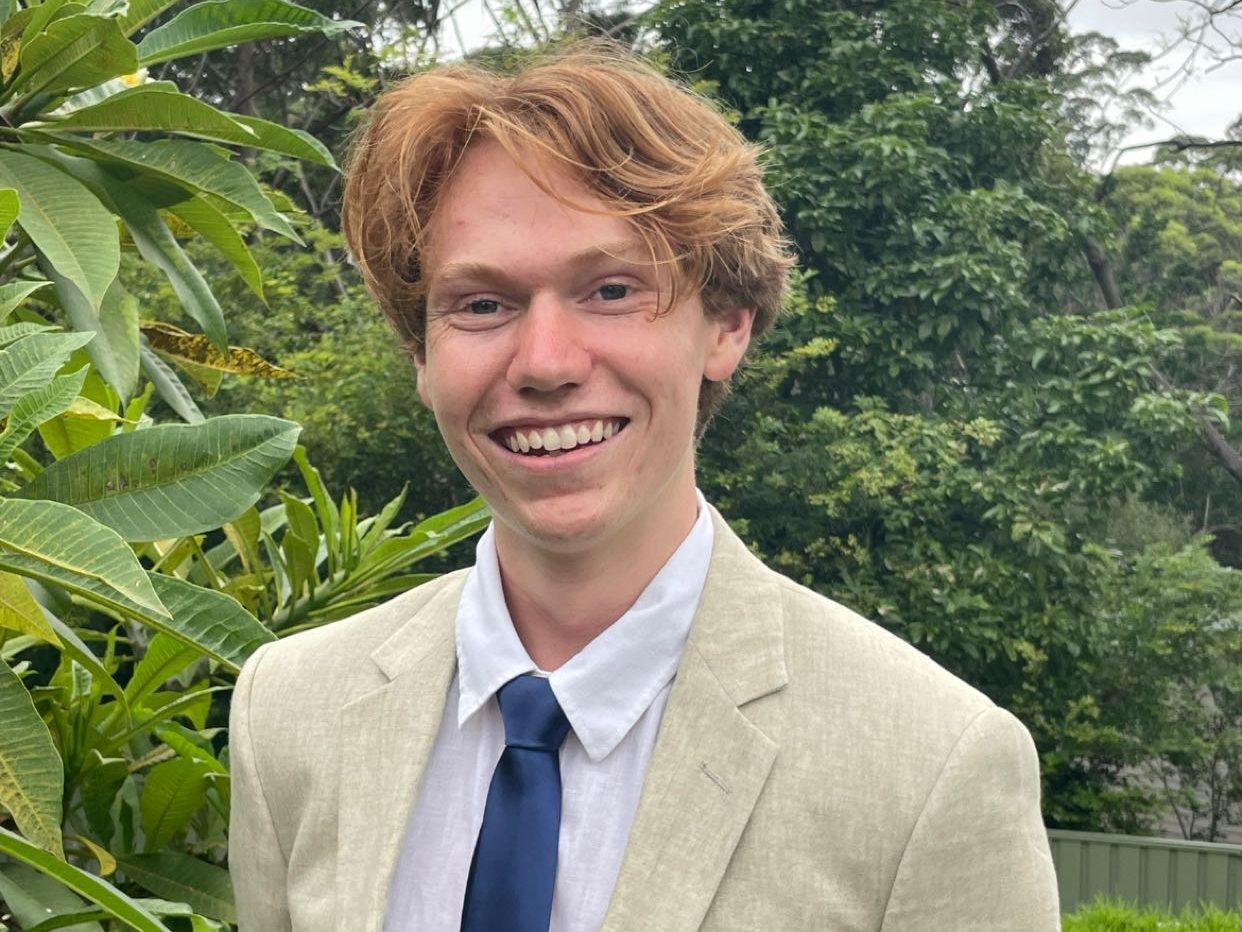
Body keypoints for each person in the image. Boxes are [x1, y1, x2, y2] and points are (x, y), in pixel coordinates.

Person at [228, 40, 1061, 932]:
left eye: (612, 289)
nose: (545, 363)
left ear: (728, 326)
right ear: (421, 358)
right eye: (481, 304)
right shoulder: (290, 711)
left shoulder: (931, 766)